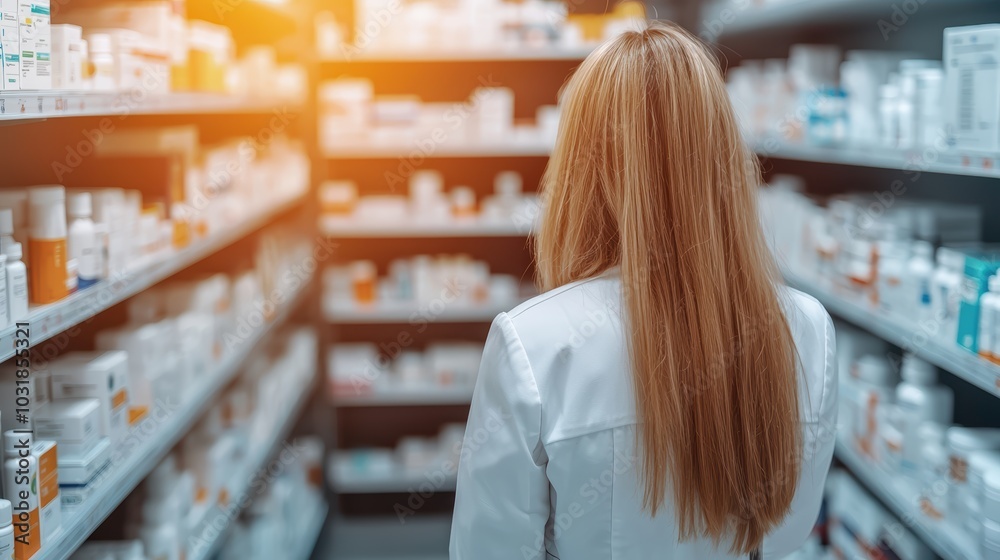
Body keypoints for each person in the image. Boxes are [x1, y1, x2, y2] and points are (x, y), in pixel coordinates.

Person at [449, 21, 836, 560]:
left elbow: (489, 551)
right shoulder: (806, 328)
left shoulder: (533, 345)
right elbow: (787, 532)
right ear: (722, 157)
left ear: (578, 172)